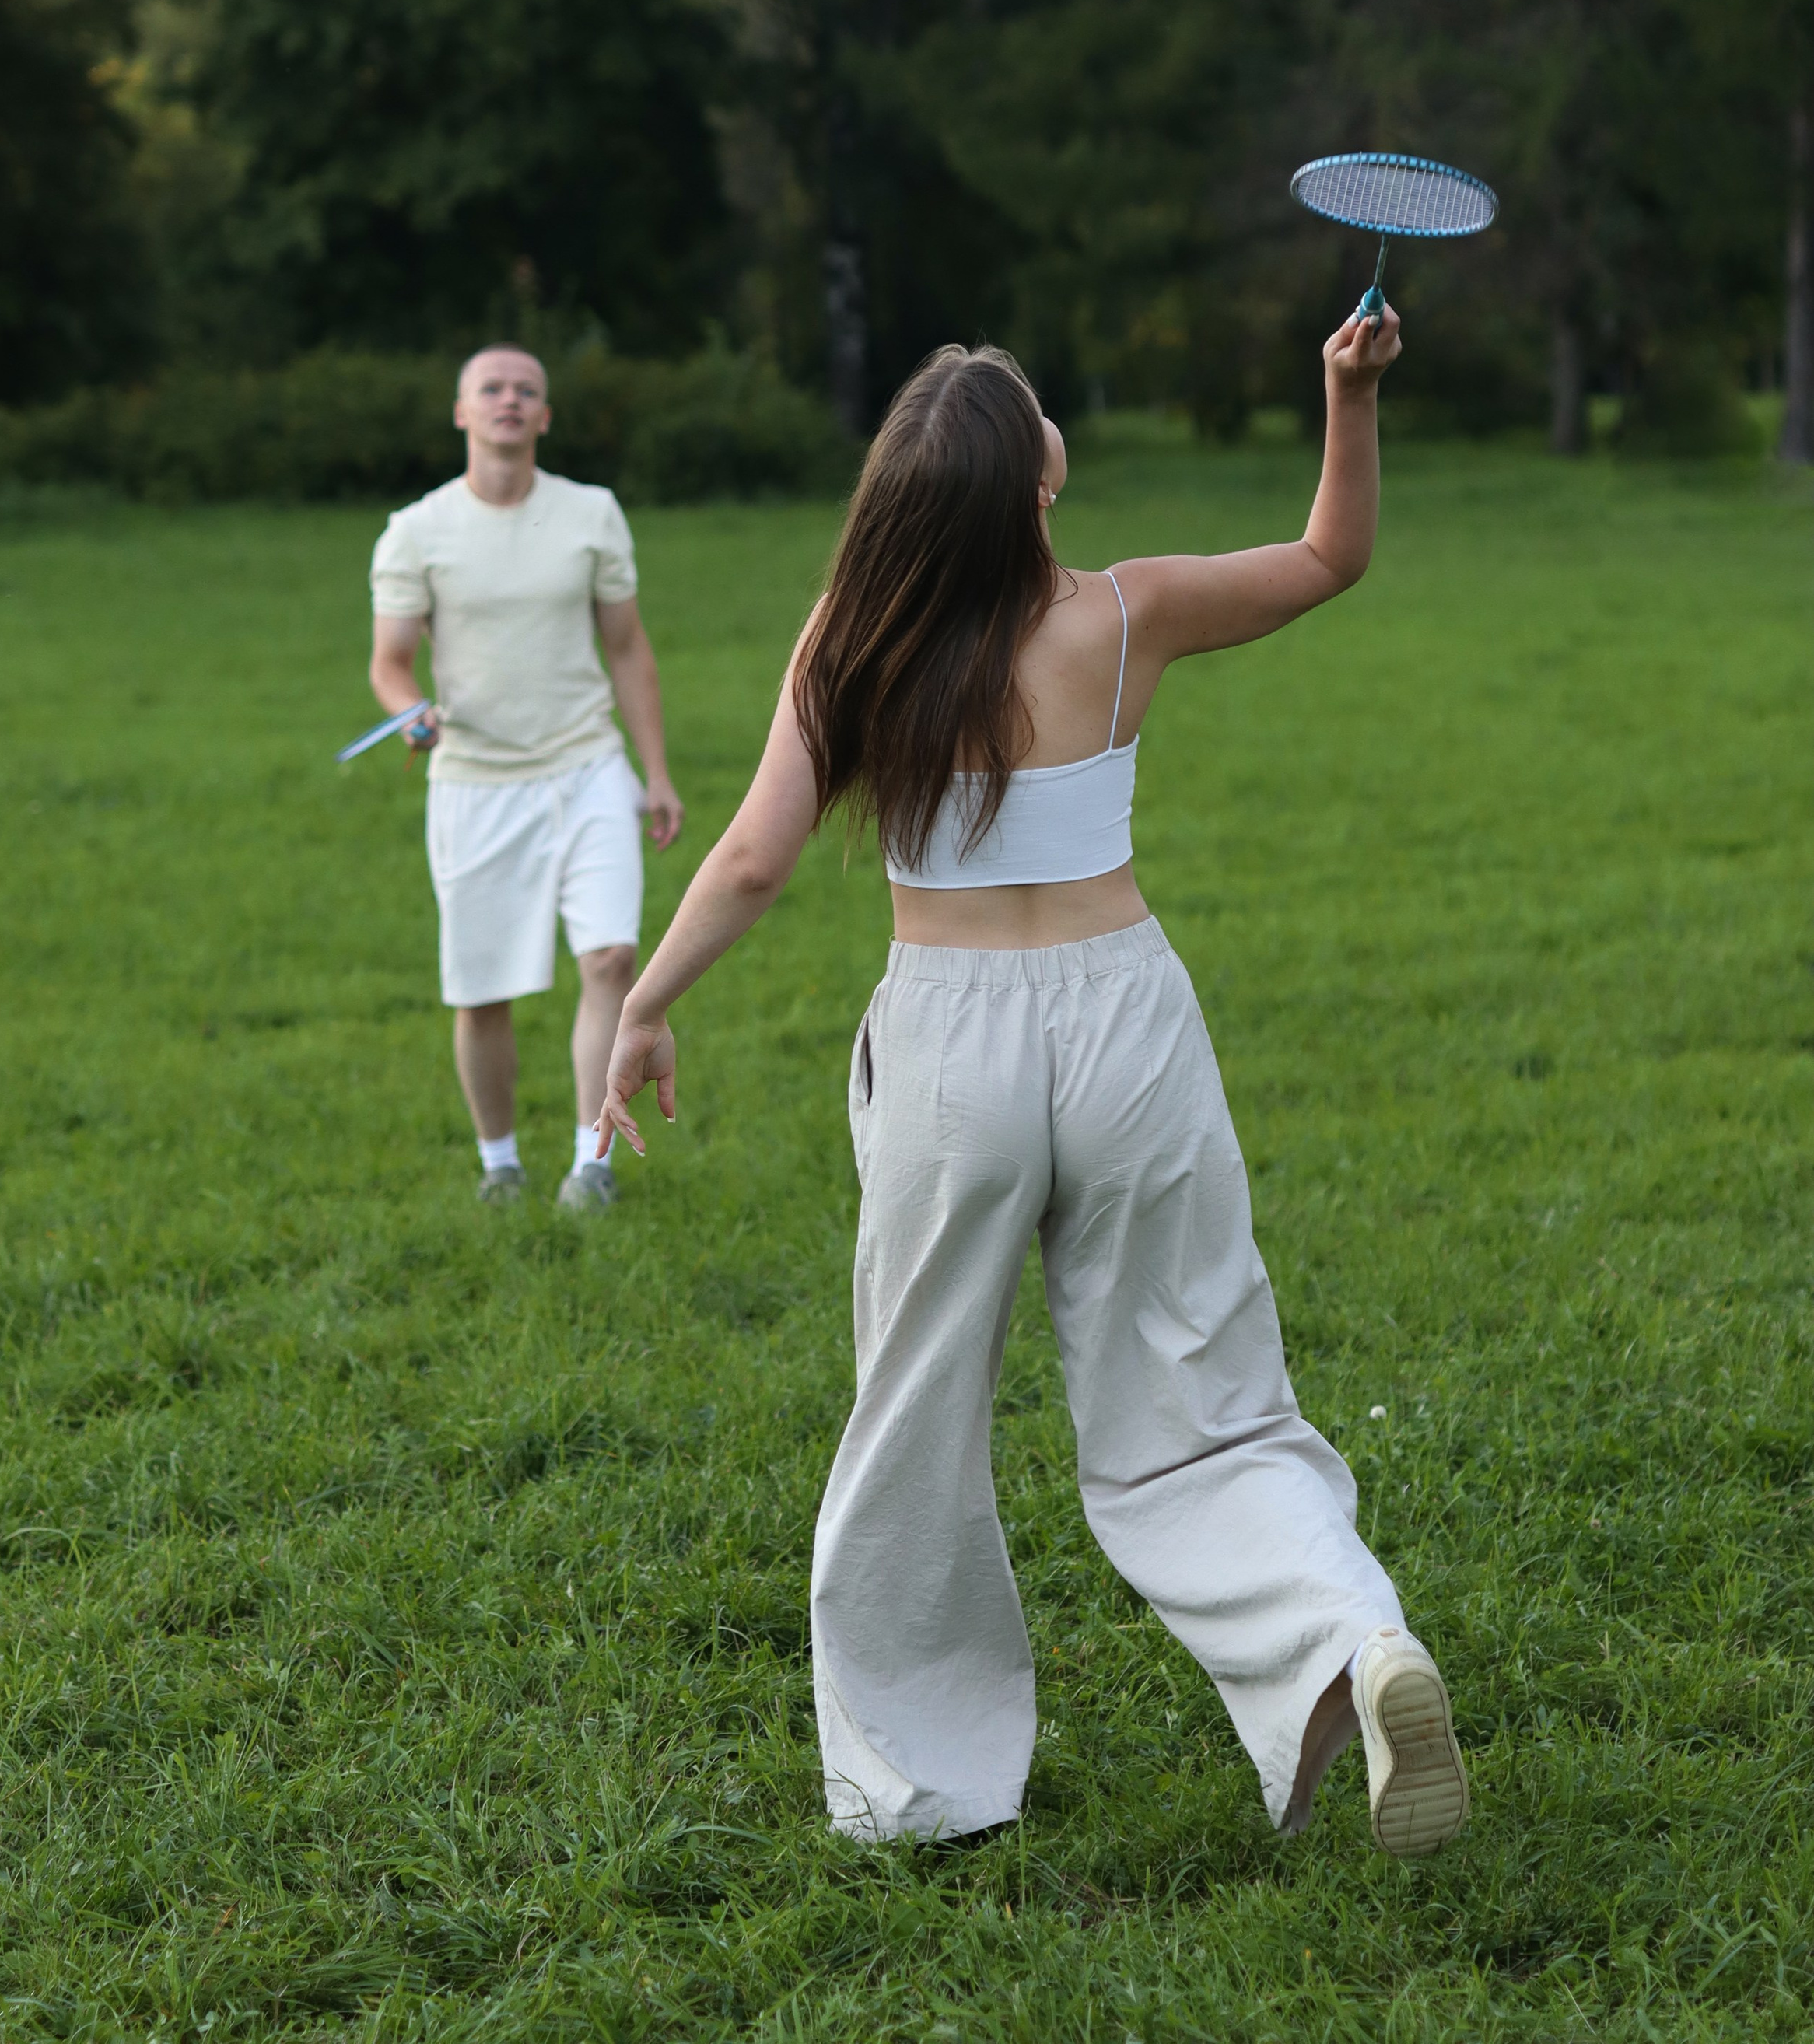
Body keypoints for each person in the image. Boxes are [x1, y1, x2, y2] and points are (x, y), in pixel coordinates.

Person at [597, 311, 1469, 1853]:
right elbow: (1328, 556)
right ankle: (1348, 1641)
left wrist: (646, 1006)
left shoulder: (849, 635)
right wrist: (1345, 396)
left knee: (914, 1418)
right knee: (1197, 1402)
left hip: (948, 1043)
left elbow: (749, 858)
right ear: (1037, 482)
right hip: (1126, 1020)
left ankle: (919, 1786)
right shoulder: (1123, 617)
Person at [368, 345, 684, 1213]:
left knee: (613, 958)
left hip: (586, 767)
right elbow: (390, 664)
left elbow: (626, 646)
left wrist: (654, 770)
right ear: (462, 412)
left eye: (527, 391)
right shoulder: (415, 531)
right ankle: (499, 1162)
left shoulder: (590, 514)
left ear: (544, 417)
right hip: (473, 784)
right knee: (484, 996)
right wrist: (410, 712)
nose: (510, 401)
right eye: (491, 389)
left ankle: (592, 1164)